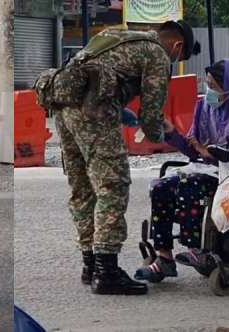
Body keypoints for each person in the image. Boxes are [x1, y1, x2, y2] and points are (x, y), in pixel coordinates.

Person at [44, 20, 200, 295]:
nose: (175, 60)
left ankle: (90, 264)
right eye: (180, 56)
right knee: (113, 187)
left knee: (82, 189)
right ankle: (107, 272)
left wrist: (124, 113)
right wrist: (165, 133)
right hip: (94, 114)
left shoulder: (118, 34)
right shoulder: (156, 54)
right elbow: (152, 117)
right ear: (177, 45)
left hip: (63, 109)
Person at [134, 59, 229, 282]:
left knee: (189, 185)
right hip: (205, 170)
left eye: (214, 87)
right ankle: (164, 257)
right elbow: (194, 150)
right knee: (160, 187)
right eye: (207, 85)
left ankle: (198, 249)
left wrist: (213, 153)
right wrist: (171, 132)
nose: (209, 92)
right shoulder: (206, 109)